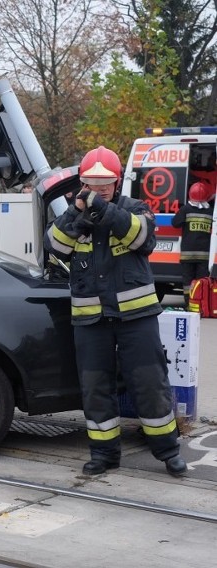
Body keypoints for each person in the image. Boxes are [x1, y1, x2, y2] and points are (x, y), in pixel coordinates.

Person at [45, 145, 187, 477]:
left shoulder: (135, 208)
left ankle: (168, 451)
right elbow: (55, 246)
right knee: (95, 387)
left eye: (105, 182)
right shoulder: (73, 214)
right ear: (81, 183)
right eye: (92, 182)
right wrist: (77, 214)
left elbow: (143, 239)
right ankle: (104, 454)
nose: (98, 188)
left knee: (149, 382)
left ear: (117, 181)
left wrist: (103, 210)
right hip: (90, 319)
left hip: (136, 317)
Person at [172, 182, 214, 306]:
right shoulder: (211, 212)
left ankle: (188, 305)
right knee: (201, 282)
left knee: (187, 282)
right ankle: (201, 305)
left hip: (187, 255)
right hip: (204, 256)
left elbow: (175, 223)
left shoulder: (186, 209)